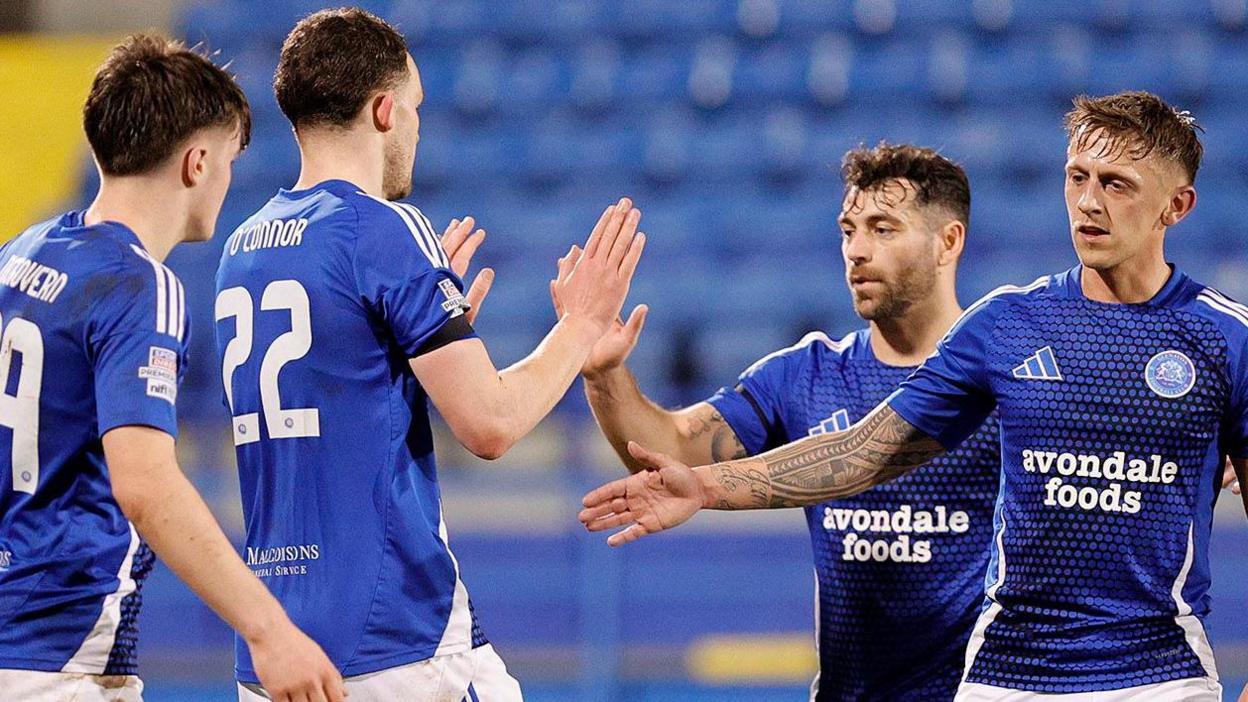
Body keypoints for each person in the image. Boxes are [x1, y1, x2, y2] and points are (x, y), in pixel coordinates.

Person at [582, 91, 1243, 701]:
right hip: (1007, 679)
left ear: (1175, 206)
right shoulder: (1004, 327)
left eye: (1116, 184)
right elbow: (864, 450)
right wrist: (704, 483)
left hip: (1160, 675)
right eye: (1078, 178)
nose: (1089, 202)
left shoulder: (1224, 340)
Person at [217, 9, 644, 701]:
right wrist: (581, 326)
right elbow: (490, 425)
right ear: (385, 111)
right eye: (415, 108)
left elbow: (341, 389)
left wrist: (413, 331)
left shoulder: (242, 248)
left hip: (278, 647)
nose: (417, 127)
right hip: (396, 639)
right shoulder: (386, 228)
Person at [560, 143, 999, 700]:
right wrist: (603, 374)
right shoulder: (805, 374)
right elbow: (670, 452)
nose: (857, 251)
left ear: (949, 242)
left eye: (883, 230)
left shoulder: (1001, 383)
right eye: (848, 230)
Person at [0, 35, 343, 702]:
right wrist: (270, 630)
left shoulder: (21, 252)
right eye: (229, 162)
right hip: (59, 654)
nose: (229, 180)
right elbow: (146, 485)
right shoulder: (139, 286)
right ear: (197, 161)